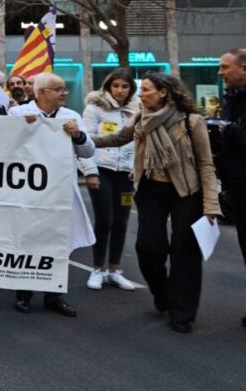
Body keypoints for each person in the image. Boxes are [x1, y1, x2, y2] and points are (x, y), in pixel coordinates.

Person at [94, 73, 220, 333]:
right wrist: (80, 140)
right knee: (148, 248)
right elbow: (118, 139)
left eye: (147, 90)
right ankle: (162, 294)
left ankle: (182, 312)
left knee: (184, 253)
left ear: (164, 92)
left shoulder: (191, 121)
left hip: (186, 192)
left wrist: (210, 206)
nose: (141, 94)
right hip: (150, 189)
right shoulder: (140, 118)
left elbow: (206, 165)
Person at [9, 73, 95, 318]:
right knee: (27, 242)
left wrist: (78, 135)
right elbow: (4, 148)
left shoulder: (72, 116)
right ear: (42, 93)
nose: (64, 93)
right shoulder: (18, 114)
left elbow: (88, 152)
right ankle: (24, 293)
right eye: (58, 89)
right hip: (28, 192)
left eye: (64, 89)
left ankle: (54, 295)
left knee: (57, 243)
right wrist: (20, 130)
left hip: (60, 192)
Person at [80, 69, 139, 291]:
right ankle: (96, 269)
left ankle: (114, 270)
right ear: (108, 86)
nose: (120, 90)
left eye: (125, 86)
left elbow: (141, 142)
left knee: (121, 222)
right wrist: (90, 172)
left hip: (126, 173)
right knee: (104, 221)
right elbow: (83, 142)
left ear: (131, 89)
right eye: (116, 86)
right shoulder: (95, 107)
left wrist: (137, 168)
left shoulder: (138, 110)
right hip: (102, 170)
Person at [216, 48, 246, 328]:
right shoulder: (232, 99)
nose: (220, 72)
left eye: (225, 67)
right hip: (236, 185)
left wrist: (229, 130)